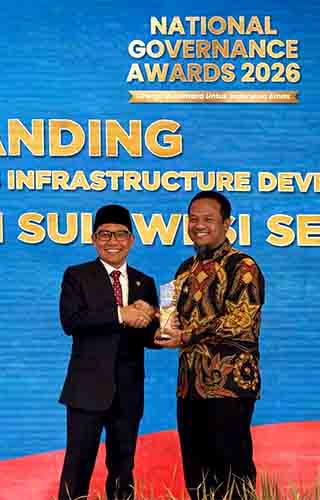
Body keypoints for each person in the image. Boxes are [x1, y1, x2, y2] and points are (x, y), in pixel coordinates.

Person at [156, 191, 265, 499]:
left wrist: (186, 336)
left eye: (208, 219)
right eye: (193, 219)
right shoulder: (184, 270)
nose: (199, 225)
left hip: (230, 385)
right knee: (197, 475)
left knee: (233, 472)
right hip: (189, 386)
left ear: (227, 223)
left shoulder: (242, 266)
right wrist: (157, 322)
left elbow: (241, 320)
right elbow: (174, 319)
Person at [57, 204, 160, 500]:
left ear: (131, 240)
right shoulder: (77, 275)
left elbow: (146, 337)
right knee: (77, 467)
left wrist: (164, 332)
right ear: (93, 239)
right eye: (104, 234)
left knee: (123, 470)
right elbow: (71, 321)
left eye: (120, 234)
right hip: (86, 390)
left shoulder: (144, 282)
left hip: (128, 392)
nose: (112, 241)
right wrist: (120, 314)